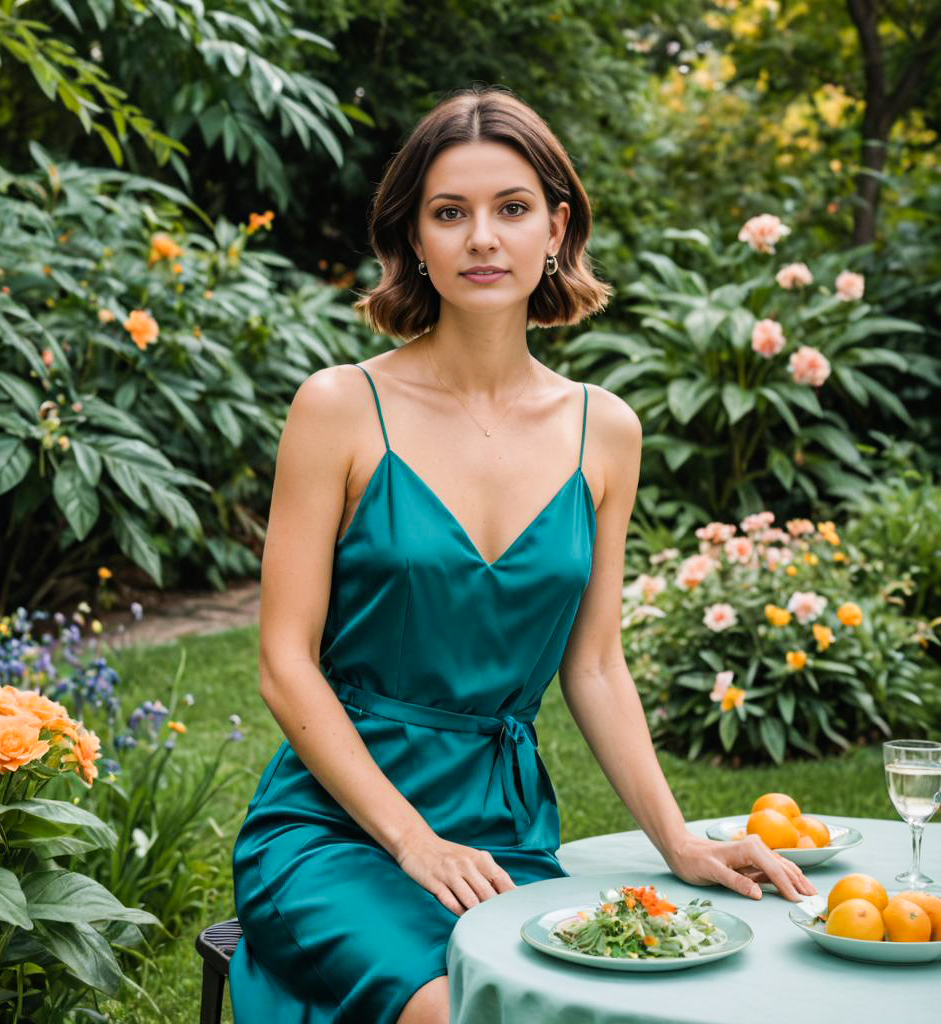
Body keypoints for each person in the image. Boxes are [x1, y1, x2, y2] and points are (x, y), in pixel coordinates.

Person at [228, 84, 816, 1024]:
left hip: (505, 836)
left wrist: (681, 843)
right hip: (333, 831)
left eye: (511, 209)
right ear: (415, 239)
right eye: (449, 213)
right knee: (458, 1013)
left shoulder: (604, 430)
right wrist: (415, 845)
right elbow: (283, 666)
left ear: (556, 228)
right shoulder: (339, 406)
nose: (482, 239)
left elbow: (594, 666)